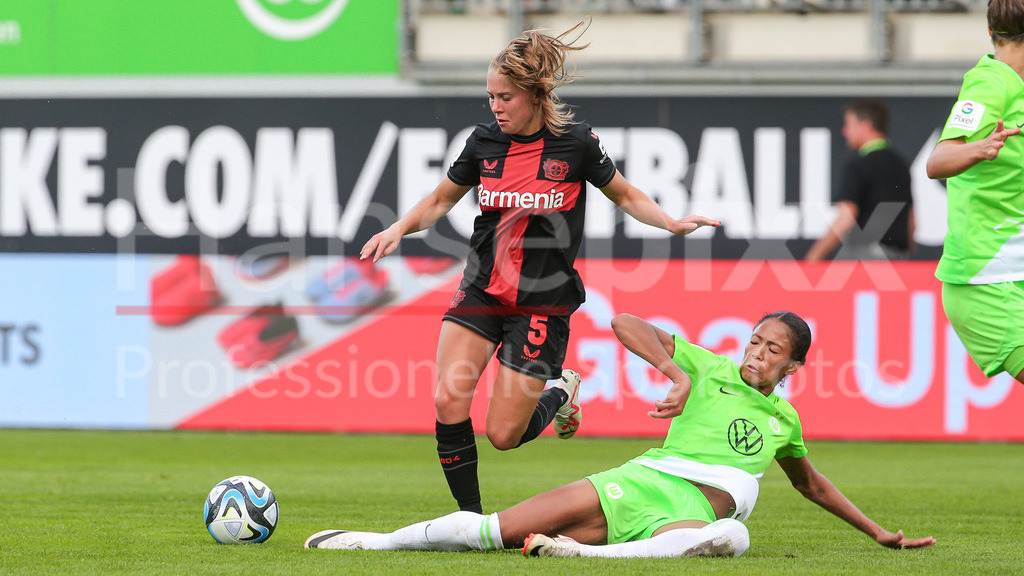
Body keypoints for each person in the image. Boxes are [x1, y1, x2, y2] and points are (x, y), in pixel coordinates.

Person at [358, 22, 720, 514]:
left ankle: (562, 391)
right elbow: (442, 199)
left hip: (542, 303)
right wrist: (400, 228)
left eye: (505, 96)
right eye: (490, 96)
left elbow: (628, 194)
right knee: (448, 401)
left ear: (534, 94)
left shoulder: (577, 145)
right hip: (483, 289)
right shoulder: (483, 143)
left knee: (504, 435)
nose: (496, 106)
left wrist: (672, 224)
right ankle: (470, 521)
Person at [305, 312, 936, 558]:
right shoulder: (710, 366)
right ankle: (372, 543)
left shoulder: (786, 421)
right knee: (499, 532)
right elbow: (624, 321)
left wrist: (876, 530)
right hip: (639, 482)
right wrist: (672, 370)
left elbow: (812, 485)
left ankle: (588, 558)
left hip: (689, 514)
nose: (756, 355)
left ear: (793, 366)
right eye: (755, 340)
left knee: (733, 534)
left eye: (773, 351)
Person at [926, 0, 1024, 383]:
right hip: (986, 281)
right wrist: (979, 148)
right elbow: (938, 161)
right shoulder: (991, 83)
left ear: (989, 31)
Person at [805, 99, 915, 261]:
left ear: (866, 125)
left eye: (848, 124)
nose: (844, 131)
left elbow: (846, 216)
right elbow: (911, 221)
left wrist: (815, 255)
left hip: (867, 258)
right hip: (899, 258)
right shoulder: (900, 164)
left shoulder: (858, 164)